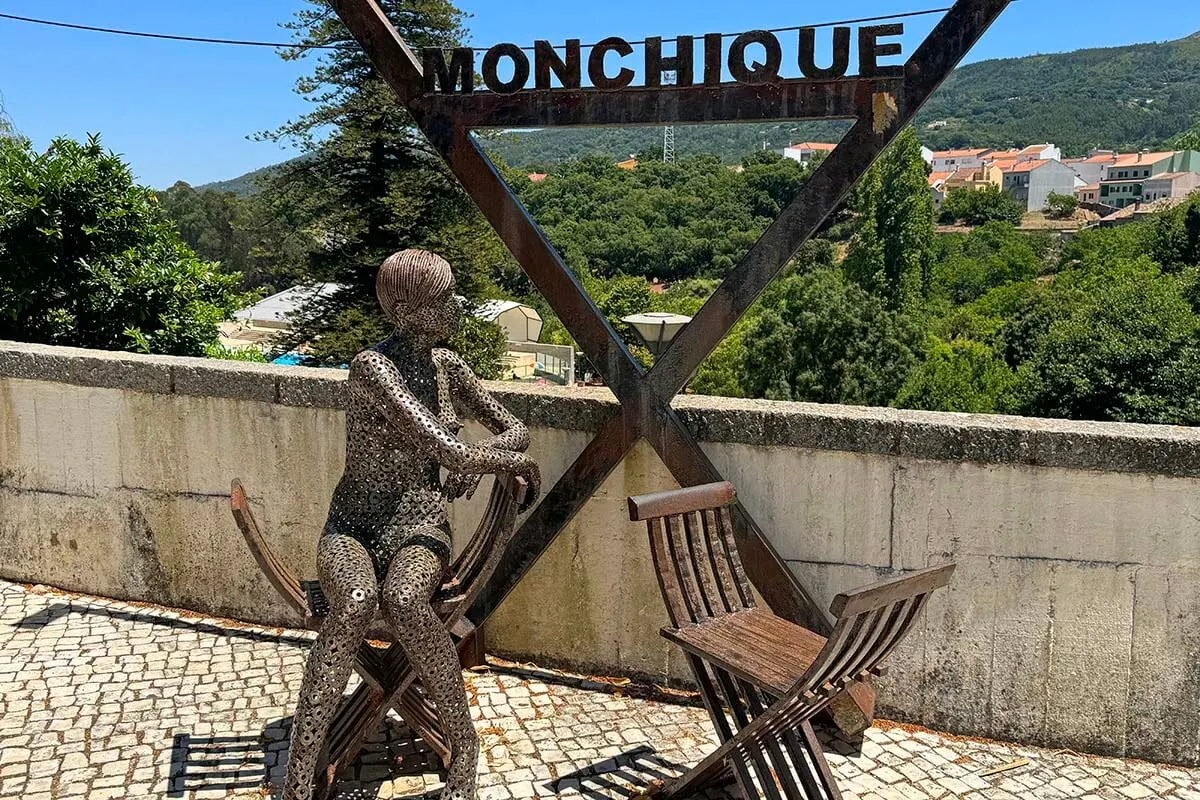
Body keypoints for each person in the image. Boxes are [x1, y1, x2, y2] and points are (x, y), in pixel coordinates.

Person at [283, 249, 541, 800]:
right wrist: (498, 461)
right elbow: (445, 447)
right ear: (407, 309)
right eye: (443, 298)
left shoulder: (449, 366)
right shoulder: (373, 368)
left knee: (403, 600)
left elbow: (513, 426)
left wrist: (495, 451)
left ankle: (465, 746)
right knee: (354, 600)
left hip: (421, 524)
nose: (455, 307)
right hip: (354, 524)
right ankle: (300, 772)